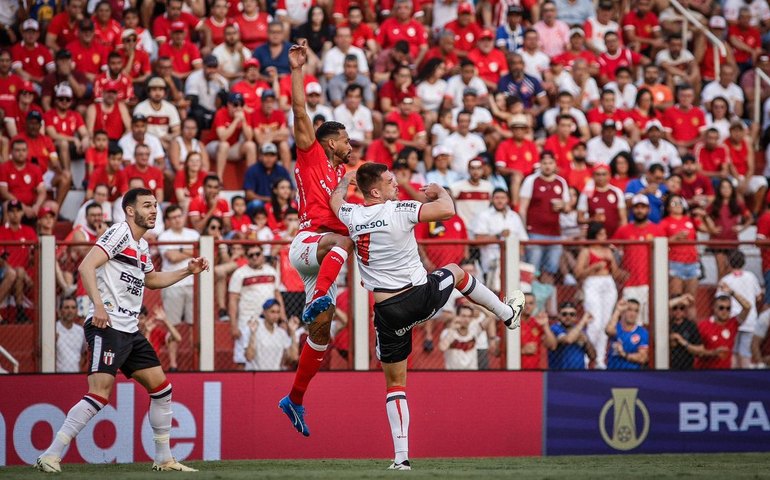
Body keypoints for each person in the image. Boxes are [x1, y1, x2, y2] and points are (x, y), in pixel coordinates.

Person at [330, 161, 525, 470]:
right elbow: (447, 211)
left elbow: (335, 200)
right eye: (390, 181)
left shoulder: (352, 215)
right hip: (419, 298)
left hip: (386, 312)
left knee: (395, 383)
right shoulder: (399, 209)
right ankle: (507, 314)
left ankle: (400, 459)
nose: (396, 184)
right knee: (457, 271)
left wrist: (346, 180)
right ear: (376, 190)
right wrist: (441, 191)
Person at [36, 188, 209, 473]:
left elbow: (151, 280)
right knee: (100, 393)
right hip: (108, 326)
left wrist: (187, 271)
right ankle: (51, 455)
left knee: (162, 388)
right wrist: (99, 306)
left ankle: (164, 458)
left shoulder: (141, 246)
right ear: (130, 210)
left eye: (155, 205)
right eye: (147, 205)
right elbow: (86, 265)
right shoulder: (119, 232)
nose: (154, 210)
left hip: (129, 330)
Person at [277, 41, 355, 437]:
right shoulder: (311, 154)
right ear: (328, 141)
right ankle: (323, 295)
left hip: (325, 259)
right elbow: (299, 111)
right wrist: (296, 69)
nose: (349, 145)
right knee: (341, 243)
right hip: (309, 242)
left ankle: (294, 399)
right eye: (344, 140)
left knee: (321, 334)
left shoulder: (342, 181)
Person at [229, 244, 286, 369]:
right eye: (251, 255)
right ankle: (243, 387)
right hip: (246, 320)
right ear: (246, 257)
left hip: (268, 320)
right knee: (242, 359)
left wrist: (283, 318)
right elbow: (233, 300)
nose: (254, 257)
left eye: (257, 254)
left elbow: (277, 295)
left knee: (268, 354)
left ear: (262, 255)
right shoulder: (239, 274)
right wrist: (233, 325)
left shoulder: (271, 271)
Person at [519, 152, 571, 284]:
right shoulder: (531, 180)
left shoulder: (561, 182)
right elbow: (523, 208)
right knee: (532, 270)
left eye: (550, 163)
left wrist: (563, 205)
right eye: (545, 163)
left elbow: (568, 208)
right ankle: (530, 301)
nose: (547, 166)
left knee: (551, 270)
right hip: (535, 232)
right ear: (540, 165)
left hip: (554, 233)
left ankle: (547, 301)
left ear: (555, 165)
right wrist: (524, 231)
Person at [575, 222, 620, 369]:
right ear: (594, 235)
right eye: (601, 234)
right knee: (594, 322)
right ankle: (588, 358)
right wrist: (593, 267)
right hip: (593, 282)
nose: (604, 236)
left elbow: (615, 272)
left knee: (605, 322)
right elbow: (578, 273)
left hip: (608, 283)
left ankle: (600, 359)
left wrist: (615, 257)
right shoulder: (586, 251)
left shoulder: (608, 251)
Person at [158, 205, 200, 330]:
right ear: (168, 221)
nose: (177, 220)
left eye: (179, 216)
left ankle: (195, 351)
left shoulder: (194, 234)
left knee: (194, 325)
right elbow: (172, 257)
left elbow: (200, 254)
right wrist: (191, 250)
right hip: (172, 285)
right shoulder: (164, 236)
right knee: (172, 326)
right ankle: (173, 351)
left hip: (193, 284)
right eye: (173, 217)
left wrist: (179, 250)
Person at [718, 252, 763, 368]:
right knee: (745, 352)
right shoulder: (751, 276)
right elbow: (759, 296)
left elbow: (719, 298)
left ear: (729, 262)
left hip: (732, 319)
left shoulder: (726, 280)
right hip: (750, 318)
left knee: (733, 351)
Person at [695, 290, 751, 369]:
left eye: (728, 308)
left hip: (725, 372)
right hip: (704, 371)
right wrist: (713, 353)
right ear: (714, 308)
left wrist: (732, 293)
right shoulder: (703, 325)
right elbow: (695, 351)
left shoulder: (733, 324)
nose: (725, 311)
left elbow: (747, 307)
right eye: (721, 308)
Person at [245, 298, 300, 371]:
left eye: (278, 312)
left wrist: (293, 332)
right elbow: (249, 357)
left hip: (275, 374)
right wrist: (252, 334)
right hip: (257, 373)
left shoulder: (281, 333)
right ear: (264, 312)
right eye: (272, 312)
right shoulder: (255, 329)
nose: (276, 315)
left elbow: (294, 357)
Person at [548, 301, 596, 370]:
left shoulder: (581, 330)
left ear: (576, 317)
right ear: (559, 316)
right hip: (559, 373)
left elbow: (593, 356)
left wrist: (586, 341)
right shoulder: (554, 328)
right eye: (564, 314)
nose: (568, 317)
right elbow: (568, 340)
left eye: (572, 314)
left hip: (579, 373)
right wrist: (583, 321)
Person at [605, 299, 649, 370]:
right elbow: (608, 330)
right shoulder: (616, 328)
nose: (633, 314)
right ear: (623, 311)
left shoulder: (642, 332)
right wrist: (618, 310)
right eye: (629, 310)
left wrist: (624, 354)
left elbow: (643, 358)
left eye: (636, 311)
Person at [669, 293, 704, 370]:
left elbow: (700, 351)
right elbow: (661, 309)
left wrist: (682, 342)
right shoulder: (666, 324)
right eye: (675, 308)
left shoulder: (690, 325)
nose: (678, 311)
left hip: (687, 367)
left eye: (681, 308)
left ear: (685, 310)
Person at [55, 297, 87, 373]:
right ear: (60, 311)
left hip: (75, 375)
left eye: (73, 308)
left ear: (76, 311)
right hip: (56, 375)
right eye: (66, 307)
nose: (70, 310)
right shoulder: (53, 329)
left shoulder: (80, 331)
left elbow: (83, 354)